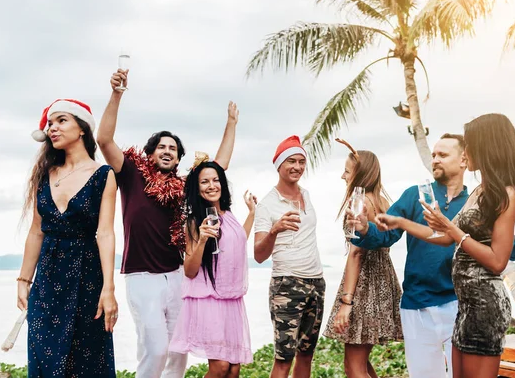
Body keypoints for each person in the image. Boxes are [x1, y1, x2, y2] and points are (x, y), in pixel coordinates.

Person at [349, 132, 515, 378]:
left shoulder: (479, 201)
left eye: (443, 154)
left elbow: (509, 247)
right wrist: (365, 228)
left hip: (460, 306)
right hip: (416, 305)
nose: (435, 159)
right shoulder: (413, 195)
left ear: (463, 160)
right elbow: (386, 236)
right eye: (434, 154)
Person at [96, 69, 238, 378]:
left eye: (173, 149)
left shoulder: (182, 187)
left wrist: (231, 125)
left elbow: (219, 168)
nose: (167, 151)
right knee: (155, 349)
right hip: (141, 276)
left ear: (178, 160)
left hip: (176, 276)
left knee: (177, 351)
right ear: (150, 153)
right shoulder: (130, 173)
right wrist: (117, 94)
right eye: (162, 146)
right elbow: (103, 139)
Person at [19, 99, 118, 377]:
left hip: (87, 277)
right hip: (47, 281)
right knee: (45, 359)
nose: (53, 128)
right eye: (50, 123)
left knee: (87, 361)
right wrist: (24, 280)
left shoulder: (103, 175)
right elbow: (36, 231)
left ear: (83, 128)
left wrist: (108, 289)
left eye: (62, 121)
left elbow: (106, 233)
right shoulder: (44, 174)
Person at [169, 149, 256, 377]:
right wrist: (202, 239)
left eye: (216, 180)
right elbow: (189, 270)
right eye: (204, 182)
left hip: (231, 299)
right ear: (197, 188)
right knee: (219, 368)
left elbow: (238, 240)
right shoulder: (194, 222)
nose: (211, 185)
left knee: (234, 369)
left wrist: (252, 214)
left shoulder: (228, 215)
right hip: (207, 299)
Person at [323, 139, 402, 378]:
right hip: (383, 281)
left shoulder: (359, 202)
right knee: (362, 363)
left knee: (353, 366)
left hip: (363, 285)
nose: (342, 176)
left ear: (359, 173)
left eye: (346, 171)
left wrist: (347, 303)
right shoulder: (383, 201)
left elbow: (356, 252)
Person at [254, 135, 325, 378]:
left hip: (316, 282)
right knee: (284, 358)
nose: (297, 167)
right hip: (287, 285)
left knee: (306, 354)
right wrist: (275, 229)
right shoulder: (267, 204)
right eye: (291, 162)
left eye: (301, 162)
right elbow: (259, 254)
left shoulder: (307, 194)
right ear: (279, 165)